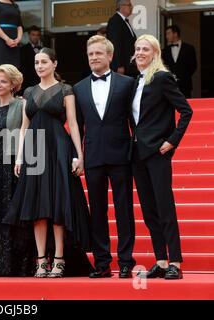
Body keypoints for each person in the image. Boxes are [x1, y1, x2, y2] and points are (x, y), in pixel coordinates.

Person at [3, 48, 92, 278]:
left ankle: (59, 259)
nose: (39, 66)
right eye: (36, 62)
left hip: (58, 150)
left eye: (44, 62)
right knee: (36, 208)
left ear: (54, 63)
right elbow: (24, 127)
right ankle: (41, 260)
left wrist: (79, 155)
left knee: (57, 205)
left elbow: (73, 124)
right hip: (33, 151)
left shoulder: (65, 90)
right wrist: (20, 156)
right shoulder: (29, 92)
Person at [73, 35, 136, 279]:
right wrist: (77, 156)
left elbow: (134, 120)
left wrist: (135, 150)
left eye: (98, 53)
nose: (94, 58)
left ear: (109, 56)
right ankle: (102, 262)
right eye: (90, 54)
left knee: (124, 209)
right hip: (94, 156)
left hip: (121, 154)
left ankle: (126, 261)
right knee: (97, 211)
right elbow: (77, 126)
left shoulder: (127, 83)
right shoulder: (78, 88)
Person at [131, 35, 193, 280]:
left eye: (145, 49)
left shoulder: (162, 78)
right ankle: (161, 260)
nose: (140, 53)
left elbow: (186, 111)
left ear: (155, 53)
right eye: (137, 49)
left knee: (164, 207)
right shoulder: (136, 81)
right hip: (136, 153)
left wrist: (171, 141)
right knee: (149, 210)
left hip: (157, 152)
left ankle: (175, 262)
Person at [0, 64, 35, 276]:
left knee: (14, 214)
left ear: (13, 84)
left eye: (4, 81)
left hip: (14, 166)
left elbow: (25, 134)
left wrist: (20, 159)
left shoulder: (21, 105)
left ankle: (15, 264)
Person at [162, 25, 197, 98]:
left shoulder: (189, 48)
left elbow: (193, 66)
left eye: (168, 33)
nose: (166, 36)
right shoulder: (165, 50)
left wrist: (183, 77)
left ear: (175, 34)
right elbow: (164, 65)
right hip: (170, 84)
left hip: (185, 84)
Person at [106, 0, 137, 77]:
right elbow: (115, 44)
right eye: (129, 5)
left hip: (129, 65)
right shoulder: (115, 21)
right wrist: (119, 65)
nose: (131, 7)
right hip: (122, 67)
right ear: (121, 7)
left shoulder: (123, 21)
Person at [0, 0, 23, 68]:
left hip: (14, 43)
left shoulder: (15, 5)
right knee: (1, 67)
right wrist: (7, 39)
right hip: (1, 41)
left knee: (14, 68)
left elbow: (19, 25)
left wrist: (18, 39)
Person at [20, 25, 42, 91]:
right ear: (29, 35)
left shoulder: (42, 49)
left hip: (41, 80)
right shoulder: (23, 49)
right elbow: (22, 67)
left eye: (37, 35)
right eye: (33, 35)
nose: (35, 37)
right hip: (28, 83)